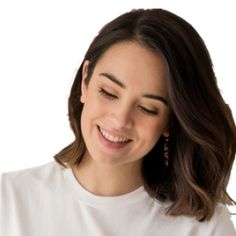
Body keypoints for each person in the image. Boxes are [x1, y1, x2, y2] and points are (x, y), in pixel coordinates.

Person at [1, 8, 236, 236]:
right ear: (85, 81)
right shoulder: (8, 200)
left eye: (147, 108)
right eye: (109, 93)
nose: (120, 120)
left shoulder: (203, 227)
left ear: (170, 121)